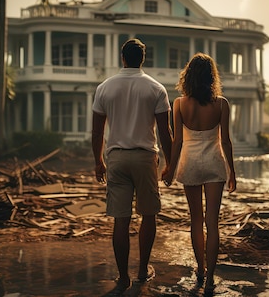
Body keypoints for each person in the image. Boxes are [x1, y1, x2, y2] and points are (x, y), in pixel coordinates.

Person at [91, 38, 173, 295]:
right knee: (148, 215)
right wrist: (170, 164)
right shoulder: (156, 88)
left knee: (121, 219)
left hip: (116, 157)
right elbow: (165, 132)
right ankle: (142, 272)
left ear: (122, 58)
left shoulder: (105, 88)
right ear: (143, 59)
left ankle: (123, 277)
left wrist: (98, 161)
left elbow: (96, 132)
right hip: (145, 157)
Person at [162, 52, 237, 293]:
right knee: (212, 223)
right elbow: (226, 141)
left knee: (195, 221)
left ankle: (201, 270)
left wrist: (171, 169)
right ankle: (212, 276)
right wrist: (232, 172)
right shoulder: (222, 104)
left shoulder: (179, 104)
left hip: (190, 164)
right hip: (214, 164)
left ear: (189, 76)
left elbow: (177, 142)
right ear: (211, 77)